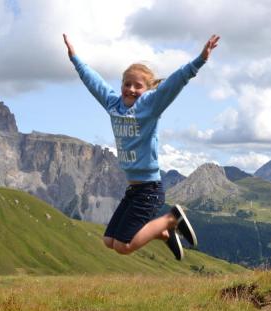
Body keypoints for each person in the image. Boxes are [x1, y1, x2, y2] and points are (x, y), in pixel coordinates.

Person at [63, 33, 220, 260]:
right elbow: (94, 83)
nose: (131, 90)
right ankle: (164, 234)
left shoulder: (150, 105)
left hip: (149, 189)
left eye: (138, 86)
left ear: (147, 90)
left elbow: (175, 83)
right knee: (109, 241)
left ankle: (170, 220)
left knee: (123, 246)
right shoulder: (113, 104)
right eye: (127, 84)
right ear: (121, 85)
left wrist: (199, 61)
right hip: (134, 190)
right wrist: (75, 59)